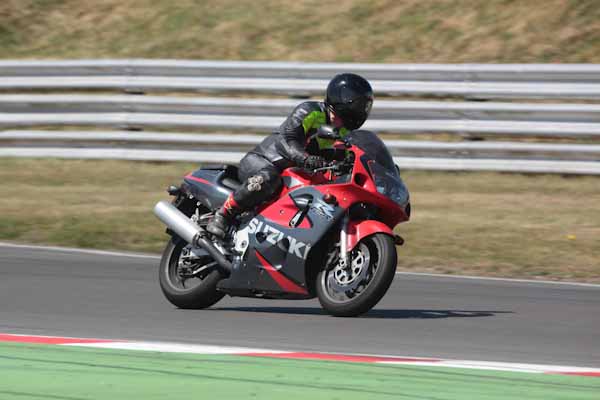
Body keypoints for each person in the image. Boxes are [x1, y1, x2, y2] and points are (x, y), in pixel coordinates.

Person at [206, 73, 374, 239]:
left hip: (292, 175)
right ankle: (223, 215)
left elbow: (343, 156)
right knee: (269, 178)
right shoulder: (310, 111)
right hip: (264, 161)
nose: (361, 109)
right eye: (359, 104)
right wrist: (306, 159)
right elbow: (286, 140)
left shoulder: (344, 132)